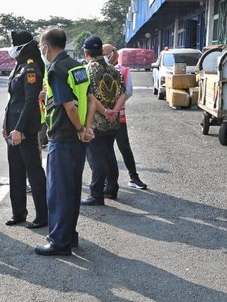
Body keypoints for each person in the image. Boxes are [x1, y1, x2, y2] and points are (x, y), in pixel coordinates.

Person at [35, 28, 95, 256]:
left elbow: (69, 105)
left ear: (46, 47)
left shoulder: (56, 69)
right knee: (71, 190)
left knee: (58, 192)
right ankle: (70, 236)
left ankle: (59, 242)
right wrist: (86, 128)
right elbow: (89, 99)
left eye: (42, 46)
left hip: (63, 136)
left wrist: (80, 128)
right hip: (78, 139)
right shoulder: (78, 66)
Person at [3, 30, 47, 228]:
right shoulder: (18, 67)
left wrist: (19, 129)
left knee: (34, 172)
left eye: (14, 44)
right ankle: (18, 212)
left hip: (25, 129)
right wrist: (6, 125)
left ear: (23, 46)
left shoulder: (31, 68)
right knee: (16, 171)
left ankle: (43, 215)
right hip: (13, 129)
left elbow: (30, 101)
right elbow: (13, 101)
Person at [102, 43, 148, 195]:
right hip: (116, 115)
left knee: (116, 149)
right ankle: (124, 178)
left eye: (104, 53)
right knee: (114, 149)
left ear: (111, 54)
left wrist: (111, 108)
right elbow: (128, 93)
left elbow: (128, 92)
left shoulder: (122, 70)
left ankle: (129, 178)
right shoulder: (117, 70)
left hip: (109, 117)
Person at [81, 36, 121, 206]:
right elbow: (123, 93)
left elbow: (89, 98)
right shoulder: (114, 69)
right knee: (109, 154)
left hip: (96, 121)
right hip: (113, 120)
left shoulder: (86, 70)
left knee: (96, 158)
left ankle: (96, 194)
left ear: (86, 52)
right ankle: (111, 188)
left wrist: (104, 111)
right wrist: (113, 112)